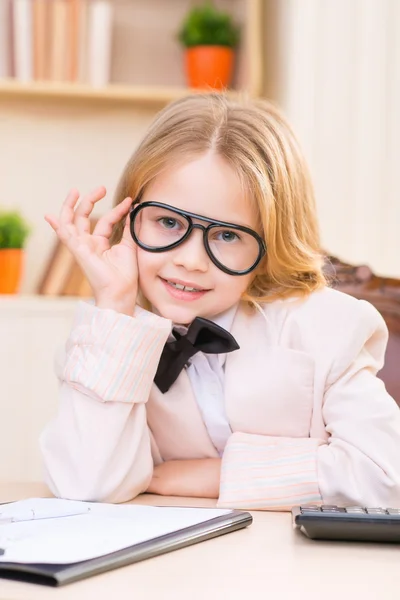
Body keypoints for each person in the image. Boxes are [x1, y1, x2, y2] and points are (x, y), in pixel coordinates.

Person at [40, 93, 400, 510]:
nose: (190, 261)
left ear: (271, 243)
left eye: (228, 235)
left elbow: (387, 474)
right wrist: (116, 308)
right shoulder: (106, 339)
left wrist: (220, 473)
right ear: (128, 216)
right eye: (168, 222)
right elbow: (86, 486)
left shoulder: (328, 329)